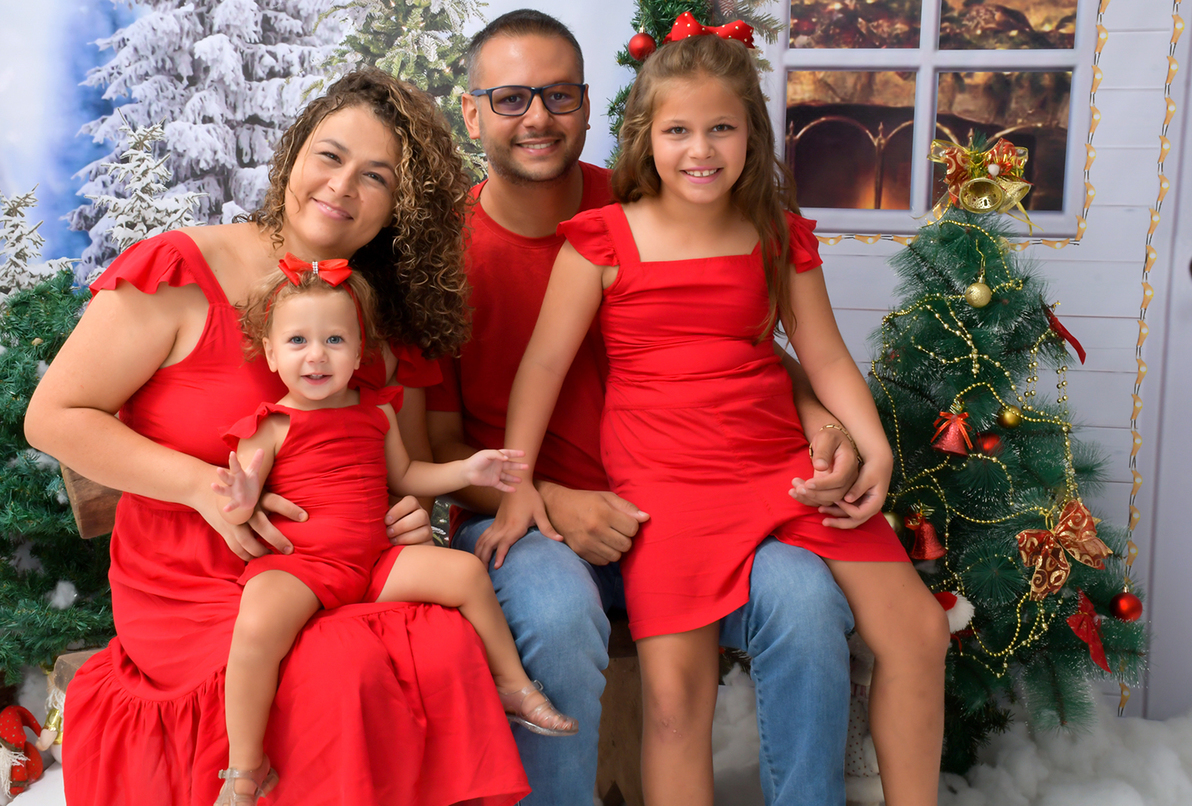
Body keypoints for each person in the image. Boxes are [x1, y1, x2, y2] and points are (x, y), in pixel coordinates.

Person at [25, 69, 530, 806]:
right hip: (193, 583)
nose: (342, 186)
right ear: (294, 155)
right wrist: (202, 489)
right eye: (330, 156)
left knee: (445, 642)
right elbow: (54, 416)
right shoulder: (184, 271)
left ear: (400, 205)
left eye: (376, 176)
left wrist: (407, 512)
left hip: (337, 569)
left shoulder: (378, 318)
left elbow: (398, 469)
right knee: (339, 670)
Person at [426, 10, 874, 805]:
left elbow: (733, 338)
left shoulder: (658, 194)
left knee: (807, 599)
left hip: (695, 505)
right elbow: (438, 447)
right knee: (557, 615)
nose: (539, 117)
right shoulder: (441, 260)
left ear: (590, 105)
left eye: (560, 95)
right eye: (511, 98)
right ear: (471, 113)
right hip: (531, 520)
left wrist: (818, 414)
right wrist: (549, 499)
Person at [211, 264, 577, 805]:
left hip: (377, 560)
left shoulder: (377, 411)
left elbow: (406, 476)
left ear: (360, 350)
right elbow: (243, 504)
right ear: (270, 353)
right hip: (304, 565)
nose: (317, 356)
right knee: (257, 627)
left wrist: (467, 470)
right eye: (297, 341)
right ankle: (245, 767)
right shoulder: (271, 425)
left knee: (465, 573)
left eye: (335, 340)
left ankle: (514, 685)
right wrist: (241, 499)